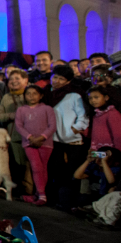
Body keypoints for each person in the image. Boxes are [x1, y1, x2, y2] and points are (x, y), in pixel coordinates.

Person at [45, 65, 89, 200]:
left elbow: (83, 115)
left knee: (72, 170)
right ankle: (57, 198)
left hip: (73, 139)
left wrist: (76, 128)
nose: (56, 81)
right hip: (54, 138)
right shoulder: (47, 93)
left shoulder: (74, 95)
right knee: (56, 169)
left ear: (68, 81)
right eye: (55, 77)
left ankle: (70, 199)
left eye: (61, 79)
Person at [15, 84, 56, 205]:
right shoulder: (21, 110)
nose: (31, 96)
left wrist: (42, 137)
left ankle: (38, 194)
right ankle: (42, 195)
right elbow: (19, 126)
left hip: (45, 142)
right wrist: (30, 137)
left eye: (35, 93)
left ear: (41, 95)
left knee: (43, 168)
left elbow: (52, 126)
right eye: (28, 94)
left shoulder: (47, 109)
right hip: (29, 143)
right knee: (36, 166)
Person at [0, 69, 31, 196]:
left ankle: (30, 191)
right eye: (11, 79)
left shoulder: (31, 94)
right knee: (17, 165)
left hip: (32, 135)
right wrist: (13, 115)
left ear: (26, 80)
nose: (14, 81)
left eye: (17, 78)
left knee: (30, 165)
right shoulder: (6, 97)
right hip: (14, 136)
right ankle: (18, 191)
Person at [67, 146, 121, 212]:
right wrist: (88, 161)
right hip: (89, 195)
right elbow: (77, 176)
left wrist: (104, 162)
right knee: (65, 191)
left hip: (102, 197)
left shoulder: (115, 169)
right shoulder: (94, 167)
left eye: (103, 157)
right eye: (99, 156)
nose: (100, 159)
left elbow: (111, 181)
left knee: (84, 199)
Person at [86, 85, 121, 163]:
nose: (93, 100)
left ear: (106, 98)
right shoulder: (96, 114)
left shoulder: (112, 114)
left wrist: (120, 157)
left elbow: (120, 137)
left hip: (111, 154)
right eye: (90, 98)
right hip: (100, 153)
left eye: (96, 97)